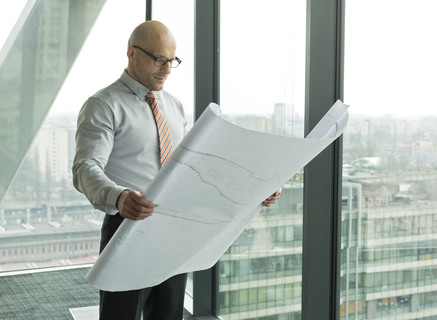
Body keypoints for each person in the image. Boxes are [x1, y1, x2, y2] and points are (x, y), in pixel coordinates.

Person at [72, 20, 281, 320]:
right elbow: (85, 167)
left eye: (172, 60)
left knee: (169, 315)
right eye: (158, 59)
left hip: (172, 231)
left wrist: (255, 188)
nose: (167, 68)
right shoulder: (103, 105)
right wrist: (119, 197)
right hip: (127, 225)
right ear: (131, 53)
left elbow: (193, 169)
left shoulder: (174, 106)